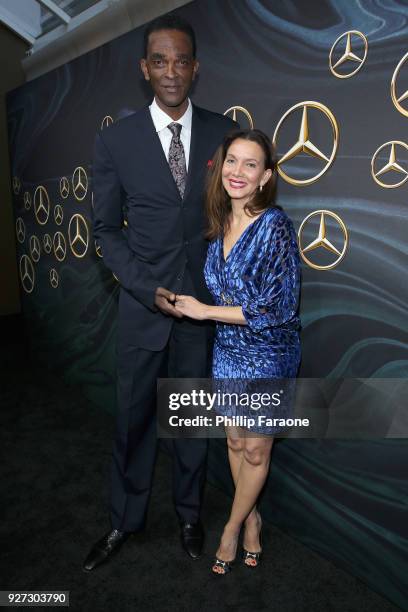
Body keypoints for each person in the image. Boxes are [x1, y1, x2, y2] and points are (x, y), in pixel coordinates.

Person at [83, 15, 237, 572]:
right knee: (134, 420)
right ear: (144, 68)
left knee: (191, 421)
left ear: (195, 68)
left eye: (181, 61)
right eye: (160, 61)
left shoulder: (226, 135)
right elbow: (105, 231)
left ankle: (190, 515)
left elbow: (241, 217)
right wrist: (149, 290)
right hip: (143, 308)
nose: (171, 72)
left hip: (201, 310)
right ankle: (125, 520)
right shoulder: (114, 140)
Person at [174, 129, 301, 575]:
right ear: (221, 167)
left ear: (266, 176)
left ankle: (231, 527)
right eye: (232, 161)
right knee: (232, 439)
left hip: (270, 352)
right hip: (228, 349)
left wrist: (205, 311)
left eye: (251, 164)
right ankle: (253, 517)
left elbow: (278, 307)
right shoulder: (217, 224)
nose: (239, 171)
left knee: (255, 451)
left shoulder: (275, 227)